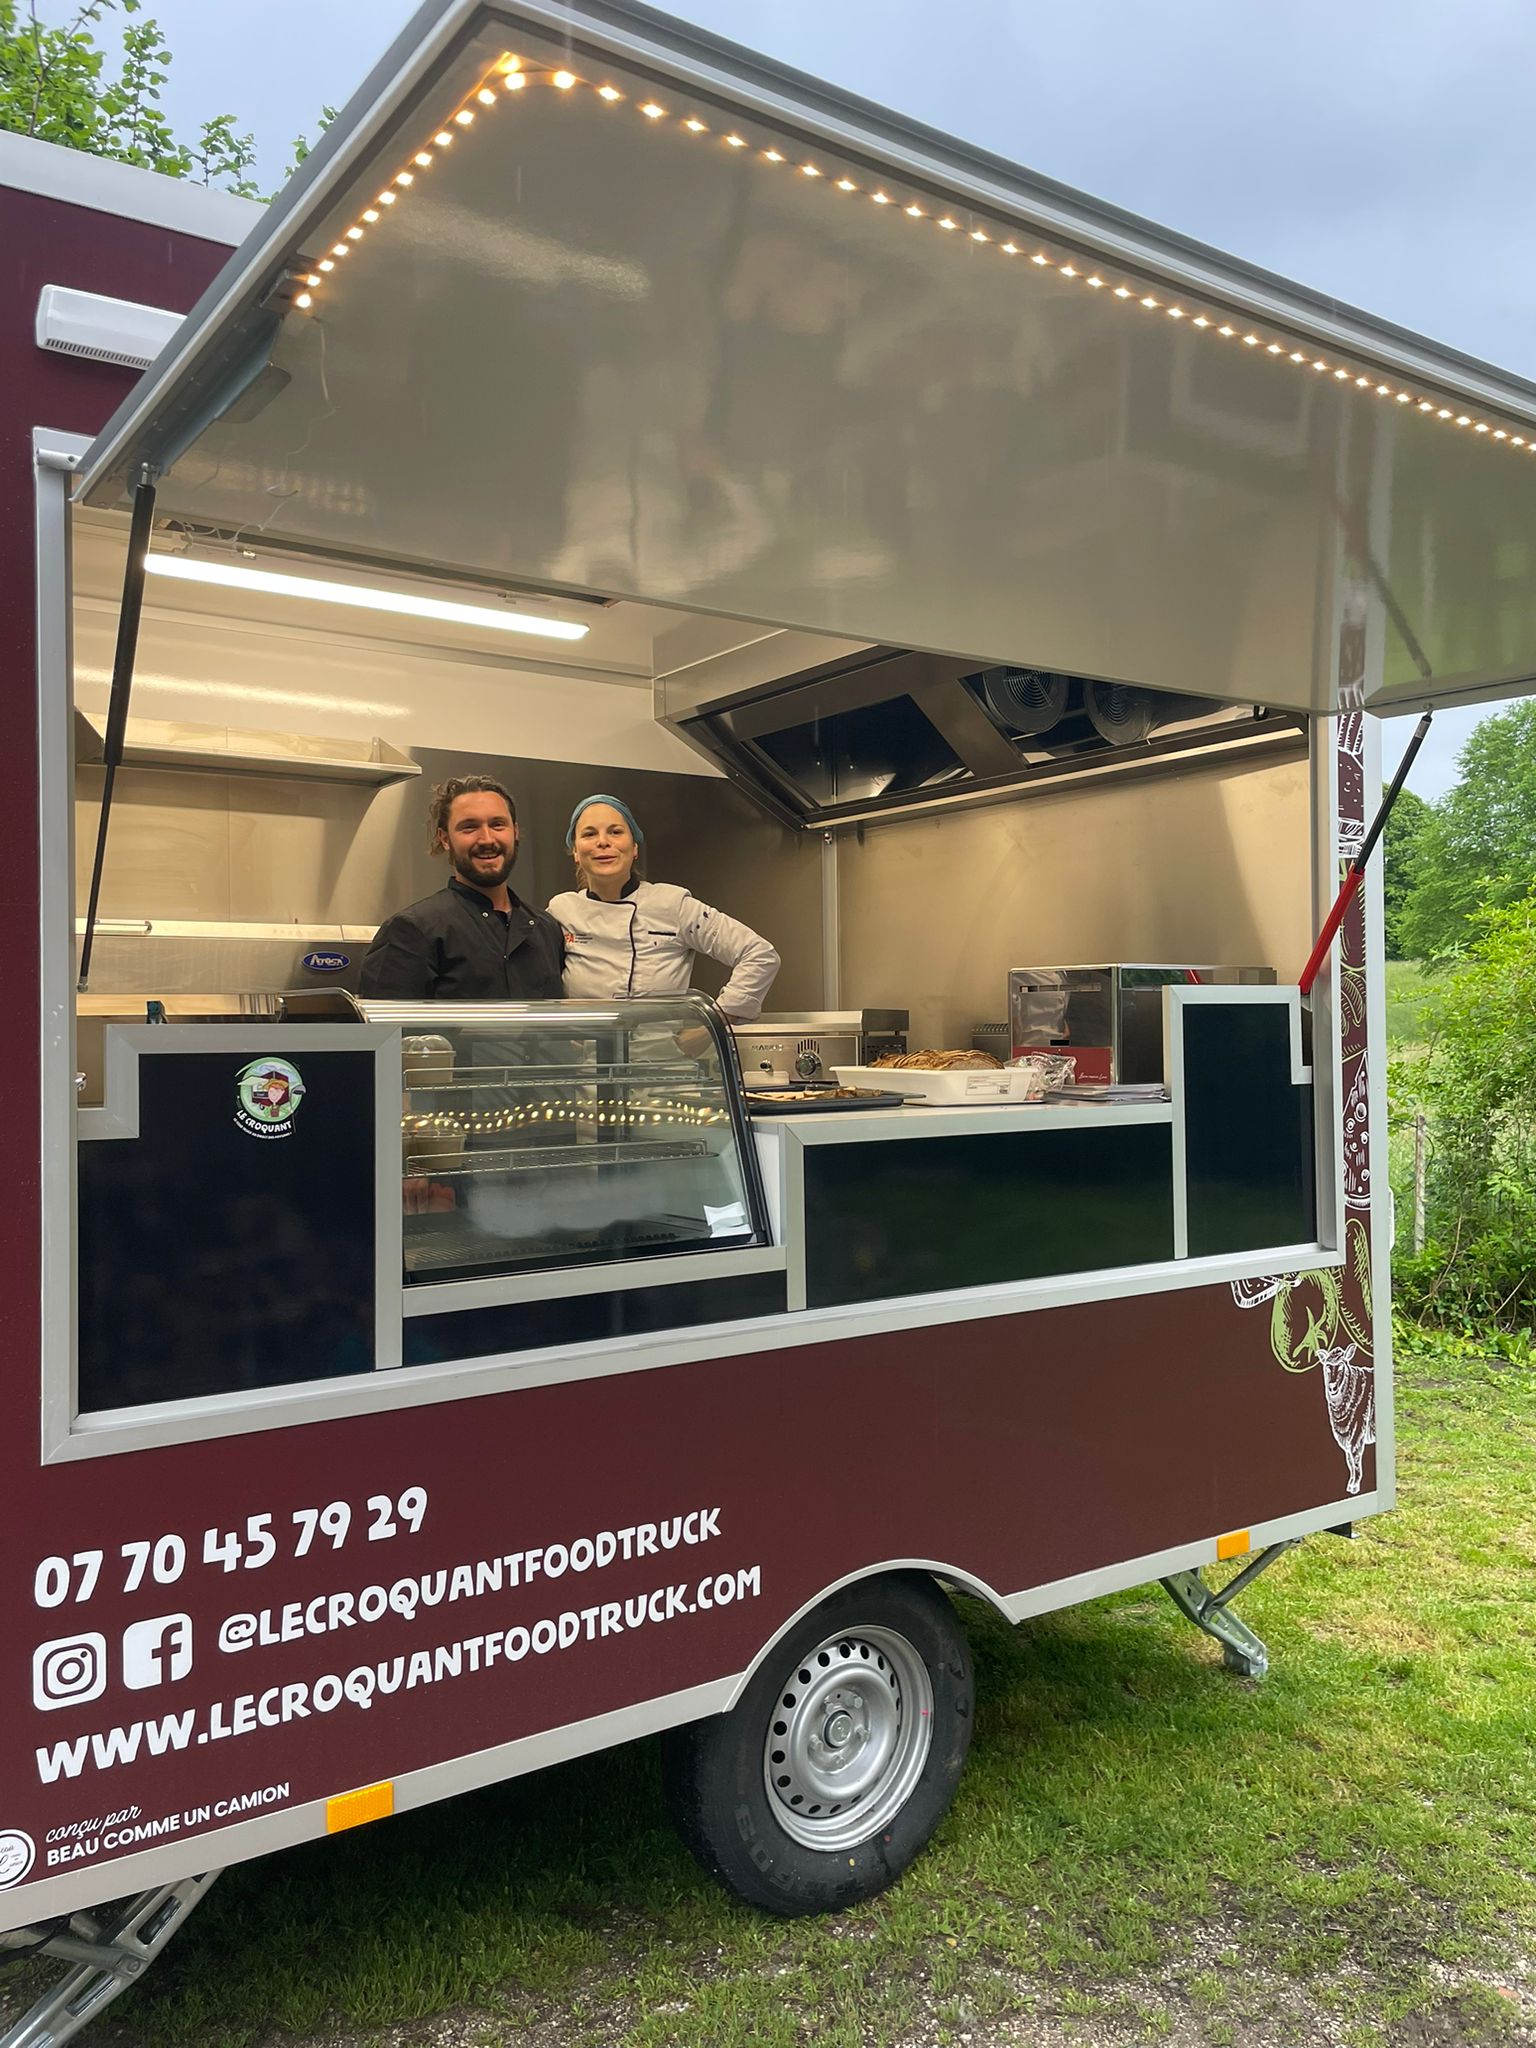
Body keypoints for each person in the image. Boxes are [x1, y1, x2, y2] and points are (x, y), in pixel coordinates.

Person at [548, 795, 779, 1021]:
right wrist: (561, 1034)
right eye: (589, 834)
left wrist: (714, 1023)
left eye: (615, 832)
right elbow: (536, 985)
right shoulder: (562, 911)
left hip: (664, 1055)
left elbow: (759, 954)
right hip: (586, 1058)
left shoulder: (672, 904)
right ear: (576, 852)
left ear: (634, 847)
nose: (603, 842)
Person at [359, 775, 565, 1001]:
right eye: (469, 827)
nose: (487, 839)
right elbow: (384, 1032)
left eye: (497, 824)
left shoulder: (546, 929)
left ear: (514, 832)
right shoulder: (411, 931)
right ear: (445, 839)